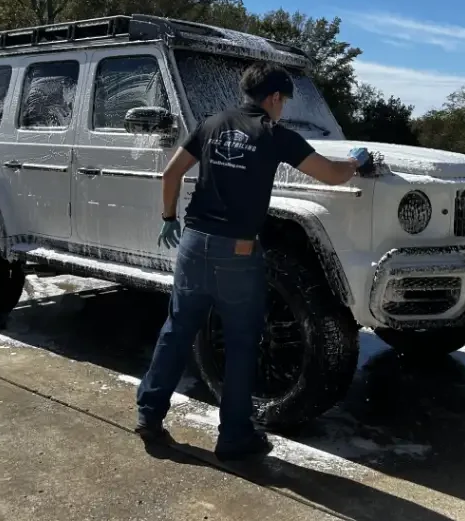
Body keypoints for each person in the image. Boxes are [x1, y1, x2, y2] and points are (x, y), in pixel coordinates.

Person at [135, 61, 369, 461]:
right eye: (284, 102)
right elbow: (330, 175)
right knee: (243, 343)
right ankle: (234, 437)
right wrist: (356, 162)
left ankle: (149, 413)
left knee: (177, 330)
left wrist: (168, 218)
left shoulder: (211, 124)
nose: (284, 110)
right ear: (274, 98)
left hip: (193, 244)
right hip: (237, 254)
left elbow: (171, 174)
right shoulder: (275, 135)